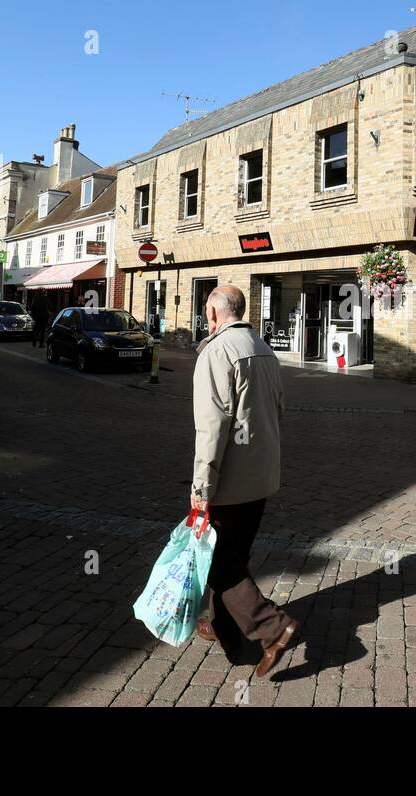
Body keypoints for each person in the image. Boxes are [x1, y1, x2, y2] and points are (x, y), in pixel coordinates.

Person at [188, 284, 298, 678]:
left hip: (230, 480)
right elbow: (280, 408)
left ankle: (272, 627)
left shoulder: (217, 352)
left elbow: (211, 429)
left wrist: (202, 487)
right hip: (263, 473)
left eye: (206, 312)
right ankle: (223, 627)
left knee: (220, 563)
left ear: (214, 314)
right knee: (234, 554)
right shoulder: (264, 349)